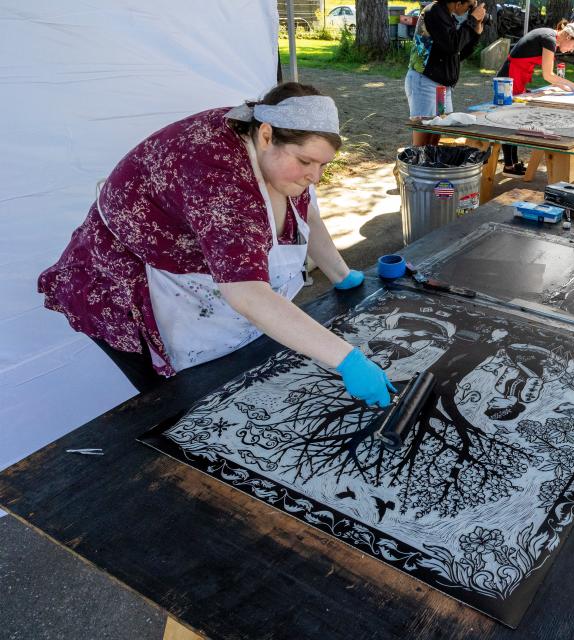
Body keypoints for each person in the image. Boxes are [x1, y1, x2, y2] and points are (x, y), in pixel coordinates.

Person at [38, 82, 395, 407]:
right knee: (178, 405)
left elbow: (306, 212)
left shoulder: (275, 150)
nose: (313, 175)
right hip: (123, 286)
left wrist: (341, 274)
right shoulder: (217, 175)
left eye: (322, 165)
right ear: (267, 135)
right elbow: (246, 294)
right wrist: (346, 360)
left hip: (194, 277)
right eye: (306, 162)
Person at [497, 21, 574, 174]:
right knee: (508, 122)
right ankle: (509, 165)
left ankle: (512, 163)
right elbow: (548, 75)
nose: (572, 50)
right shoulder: (549, 39)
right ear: (568, 36)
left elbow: (551, 76)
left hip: (516, 76)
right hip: (508, 78)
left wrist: (564, 87)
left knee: (514, 120)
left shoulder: (551, 37)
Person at [406, 0, 486, 146]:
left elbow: (457, 53)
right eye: (469, 6)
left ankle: (429, 167)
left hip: (441, 87)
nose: (470, 10)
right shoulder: (434, 12)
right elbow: (452, 45)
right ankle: (417, 168)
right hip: (425, 82)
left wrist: (475, 34)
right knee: (422, 143)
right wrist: (472, 20)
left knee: (436, 135)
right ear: (458, 2)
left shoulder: (447, 16)